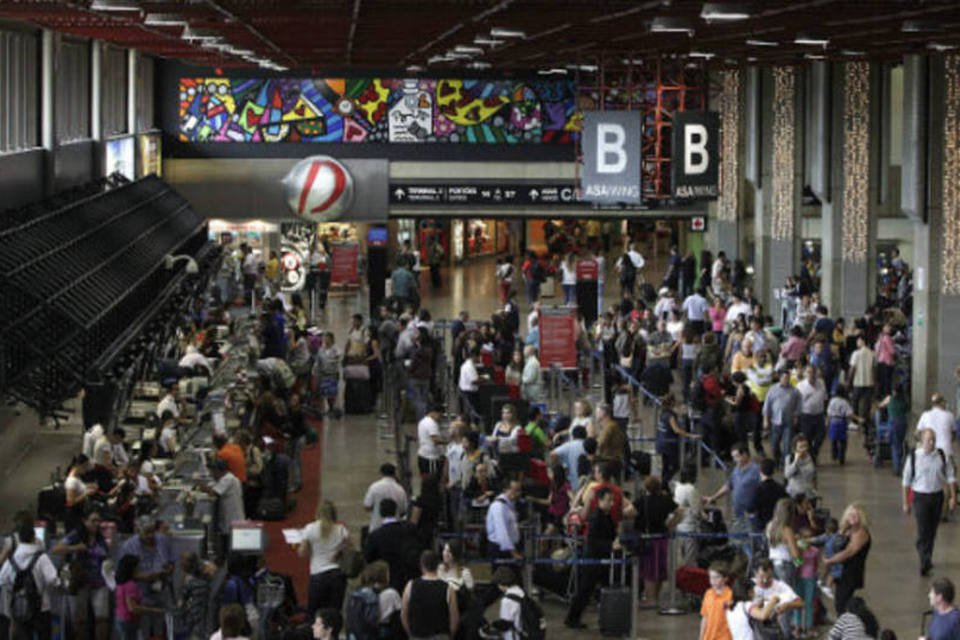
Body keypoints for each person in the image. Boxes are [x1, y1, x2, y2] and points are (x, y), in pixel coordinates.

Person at [902, 428, 956, 576]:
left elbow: (951, 477)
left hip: (937, 496)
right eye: (928, 440)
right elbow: (906, 481)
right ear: (921, 440)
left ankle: (927, 556)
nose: (931, 443)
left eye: (933, 439)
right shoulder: (913, 457)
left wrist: (953, 497)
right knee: (923, 529)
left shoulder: (941, 456)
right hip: (920, 497)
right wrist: (906, 502)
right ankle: (924, 561)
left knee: (932, 530)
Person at [565, 487, 620, 630]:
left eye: (612, 500)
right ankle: (572, 618)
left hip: (602, 558)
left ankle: (608, 618)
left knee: (594, 589)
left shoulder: (606, 516)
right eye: (608, 500)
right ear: (600, 501)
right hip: (593, 559)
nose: (612, 503)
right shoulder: (597, 517)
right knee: (585, 590)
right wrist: (610, 545)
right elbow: (593, 540)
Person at [52, 510, 111, 640]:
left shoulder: (101, 538)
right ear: (85, 521)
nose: (96, 524)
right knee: (80, 620)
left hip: (99, 581)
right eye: (93, 520)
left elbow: (106, 554)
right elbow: (56, 549)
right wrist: (75, 548)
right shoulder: (76, 535)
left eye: (98, 521)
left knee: (102, 618)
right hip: (79, 581)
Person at [0, 518, 58, 640]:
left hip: (20, 608)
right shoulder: (41, 558)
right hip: (42, 606)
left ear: (19, 538)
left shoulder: (12, 559)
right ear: (34, 538)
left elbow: (2, 579)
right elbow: (52, 579)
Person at [119, 516, 174, 638]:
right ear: (138, 531)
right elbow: (123, 573)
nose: (150, 536)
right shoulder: (128, 546)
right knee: (143, 629)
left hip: (161, 589)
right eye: (146, 532)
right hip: (140, 592)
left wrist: (168, 570)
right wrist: (145, 577)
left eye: (152, 531)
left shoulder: (163, 540)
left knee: (161, 626)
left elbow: (171, 561)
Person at [297, 500, 350, 618]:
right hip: (337, 575)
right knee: (334, 614)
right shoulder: (341, 529)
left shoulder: (310, 528)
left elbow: (302, 553)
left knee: (314, 613)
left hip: (318, 574)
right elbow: (350, 550)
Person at [634, 476, 679, 605]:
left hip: (648, 539)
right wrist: (670, 524)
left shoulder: (642, 501)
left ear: (645, 487)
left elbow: (629, 512)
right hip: (662, 538)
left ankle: (650, 599)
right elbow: (680, 511)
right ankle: (656, 597)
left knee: (649, 570)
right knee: (660, 568)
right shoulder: (665, 500)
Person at [364, 499, 422, 594]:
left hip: (388, 580)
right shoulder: (410, 529)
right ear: (395, 511)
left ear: (381, 513)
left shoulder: (375, 535)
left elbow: (369, 557)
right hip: (410, 578)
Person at [824, 503, 872, 614]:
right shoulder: (848, 530)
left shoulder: (861, 532)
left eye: (856, 515)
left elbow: (850, 551)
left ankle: (846, 627)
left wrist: (830, 560)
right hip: (842, 571)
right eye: (850, 514)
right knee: (841, 602)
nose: (852, 517)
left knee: (841, 604)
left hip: (850, 572)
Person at [401, 550, 460, 640]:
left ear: (421, 565)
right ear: (437, 565)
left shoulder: (410, 586)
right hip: (441, 636)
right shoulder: (448, 588)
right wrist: (449, 636)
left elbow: (403, 615)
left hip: (417, 635)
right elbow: (454, 618)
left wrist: (410, 634)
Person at [704, 442, 761, 532]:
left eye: (737, 456)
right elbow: (729, 485)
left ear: (745, 454)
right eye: (733, 457)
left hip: (752, 514)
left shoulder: (757, 470)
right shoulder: (737, 469)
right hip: (738, 512)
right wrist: (713, 497)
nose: (735, 460)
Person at [198, 459, 245, 557]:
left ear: (219, 471)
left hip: (232, 515)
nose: (211, 474)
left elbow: (214, 492)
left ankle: (228, 561)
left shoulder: (228, 479)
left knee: (229, 541)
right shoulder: (226, 478)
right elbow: (213, 485)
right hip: (229, 515)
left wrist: (201, 486)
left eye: (213, 471)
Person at [113, 554, 163, 640]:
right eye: (137, 567)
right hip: (128, 621)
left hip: (120, 618)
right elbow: (133, 608)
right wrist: (155, 611)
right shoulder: (130, 586)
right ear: (132, 569)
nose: (139, 569)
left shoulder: (120, 583)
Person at [751, 559, 804, 637]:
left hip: (774, 630)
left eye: (769, 577)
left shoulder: (780, 586)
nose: (765, 581)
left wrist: (787, 605)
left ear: (773, 573)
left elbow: (801, 603)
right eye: (761, 577)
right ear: (755, 574)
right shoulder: (748, 585)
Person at [656, 393, 700, 483]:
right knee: (676, 465)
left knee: (665, 465)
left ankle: (664, 485)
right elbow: (676, 430)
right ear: (672, 402)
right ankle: (663, 483)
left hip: (662, 442)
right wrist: (691, 435)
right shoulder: (670, 416)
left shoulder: (662, 413)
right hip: (670, 445)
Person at [762, 371, 802, 464]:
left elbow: (798, 405)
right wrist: (765, 419)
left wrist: (796, 416)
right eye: (784, 378)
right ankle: (777, 458)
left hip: (788, 422)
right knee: (774, 445)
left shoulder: (795, 391)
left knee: (787, 446)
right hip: (775, 422)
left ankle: (785, 464)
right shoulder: (772, 389)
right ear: (780, 378)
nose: (786, 380)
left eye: (788, 378)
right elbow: (767, 405)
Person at [363, 463, 408, 534]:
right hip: (395, 530)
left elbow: (367, 506)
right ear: (394, 474)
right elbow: (403, 510)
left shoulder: (374, 487)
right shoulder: (400, 489)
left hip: (377, 527)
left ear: (381, 473)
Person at [486, 479, 523, 564]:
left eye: (519, 491)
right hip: (501, 551)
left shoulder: (510, 504)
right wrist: (514, 553)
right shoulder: (498, 507)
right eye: (515, 490)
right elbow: (502, 532)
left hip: (511, 548)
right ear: (506, 490)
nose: (518, 494)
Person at [795, 366, 827, 461]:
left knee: (820, 436)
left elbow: (825, 398)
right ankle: (810, 457)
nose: (811, 374)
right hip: (806, 416)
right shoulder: (800, 386)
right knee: (807, 438)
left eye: (813, 372)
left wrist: (825, 413)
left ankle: (814, 452)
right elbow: (796, 402)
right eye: (809, 372)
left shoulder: (821, 383)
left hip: (819, 415)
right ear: (805, 374)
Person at [878, 382, 910, 474]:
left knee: (895, 446)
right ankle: (899, 463)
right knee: (900, 443)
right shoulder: (904, 400)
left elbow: (880, 406)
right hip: (903, 422)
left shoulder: (889, 398)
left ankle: (897, 468)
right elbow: (906, 409)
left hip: (893, 423)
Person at [699, 562, 733, 640]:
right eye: (711, 577)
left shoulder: (730, 595)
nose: (713, 580)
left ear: (726, 578)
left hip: (725, 637)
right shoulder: (708, 594)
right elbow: (705, 617)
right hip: (709, 636)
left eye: (717, 577)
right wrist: (701, 637)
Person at [754, 458, 788, 532]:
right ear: (774, 471)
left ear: (760, 471)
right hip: (778, 524)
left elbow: (753, 508)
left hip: (763, 525)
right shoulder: (780, 488)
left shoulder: (758, 490)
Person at [917, 393, 957, 457]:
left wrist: (924, 441)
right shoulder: (950, 415)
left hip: (929, 450)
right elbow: (954, 435)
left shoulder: (925, 415)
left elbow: (917, 434)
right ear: (942, 402)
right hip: (946, 451)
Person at [492, 566, 527, 640]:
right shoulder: (521, 592)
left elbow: (505, 624)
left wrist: (493, 625)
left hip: (513, 636)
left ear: (501, 583)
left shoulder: (507, 600)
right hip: (523, 633)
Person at [417, 404, 446, 480]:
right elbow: (436, 440)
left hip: (423, 455)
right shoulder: (431, 424)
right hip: (430, 458)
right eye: (440, 415)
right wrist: (448, 441)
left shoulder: (423, 421)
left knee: (426, 480)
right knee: (432, 479)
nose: (440, 418)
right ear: (435, 412)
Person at [784, 435, 817, 500]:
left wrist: (815, 490)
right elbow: (787, 474)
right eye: (801, 447)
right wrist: (795, 462)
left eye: (805, 446)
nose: (804, 449)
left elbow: (814, 475)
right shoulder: (790, 458)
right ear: (795, 448)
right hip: (794, 495)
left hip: (809, 494)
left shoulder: (811, 457)